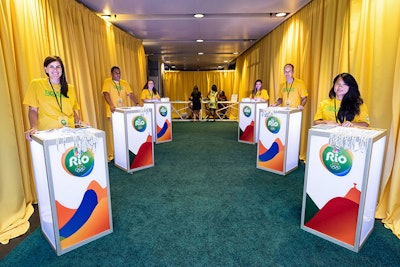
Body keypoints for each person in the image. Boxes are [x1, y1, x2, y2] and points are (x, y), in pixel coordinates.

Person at [23, 56, 84, 141]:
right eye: (51, 66)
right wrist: (34, 127)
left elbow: (72, 111)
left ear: (62, 69)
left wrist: (80, 123)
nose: (55, 70)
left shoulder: (70, 88)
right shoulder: (36, 84)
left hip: (69, 133)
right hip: (48, 134)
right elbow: (33, 110)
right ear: (46, 69)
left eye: (58, 67)